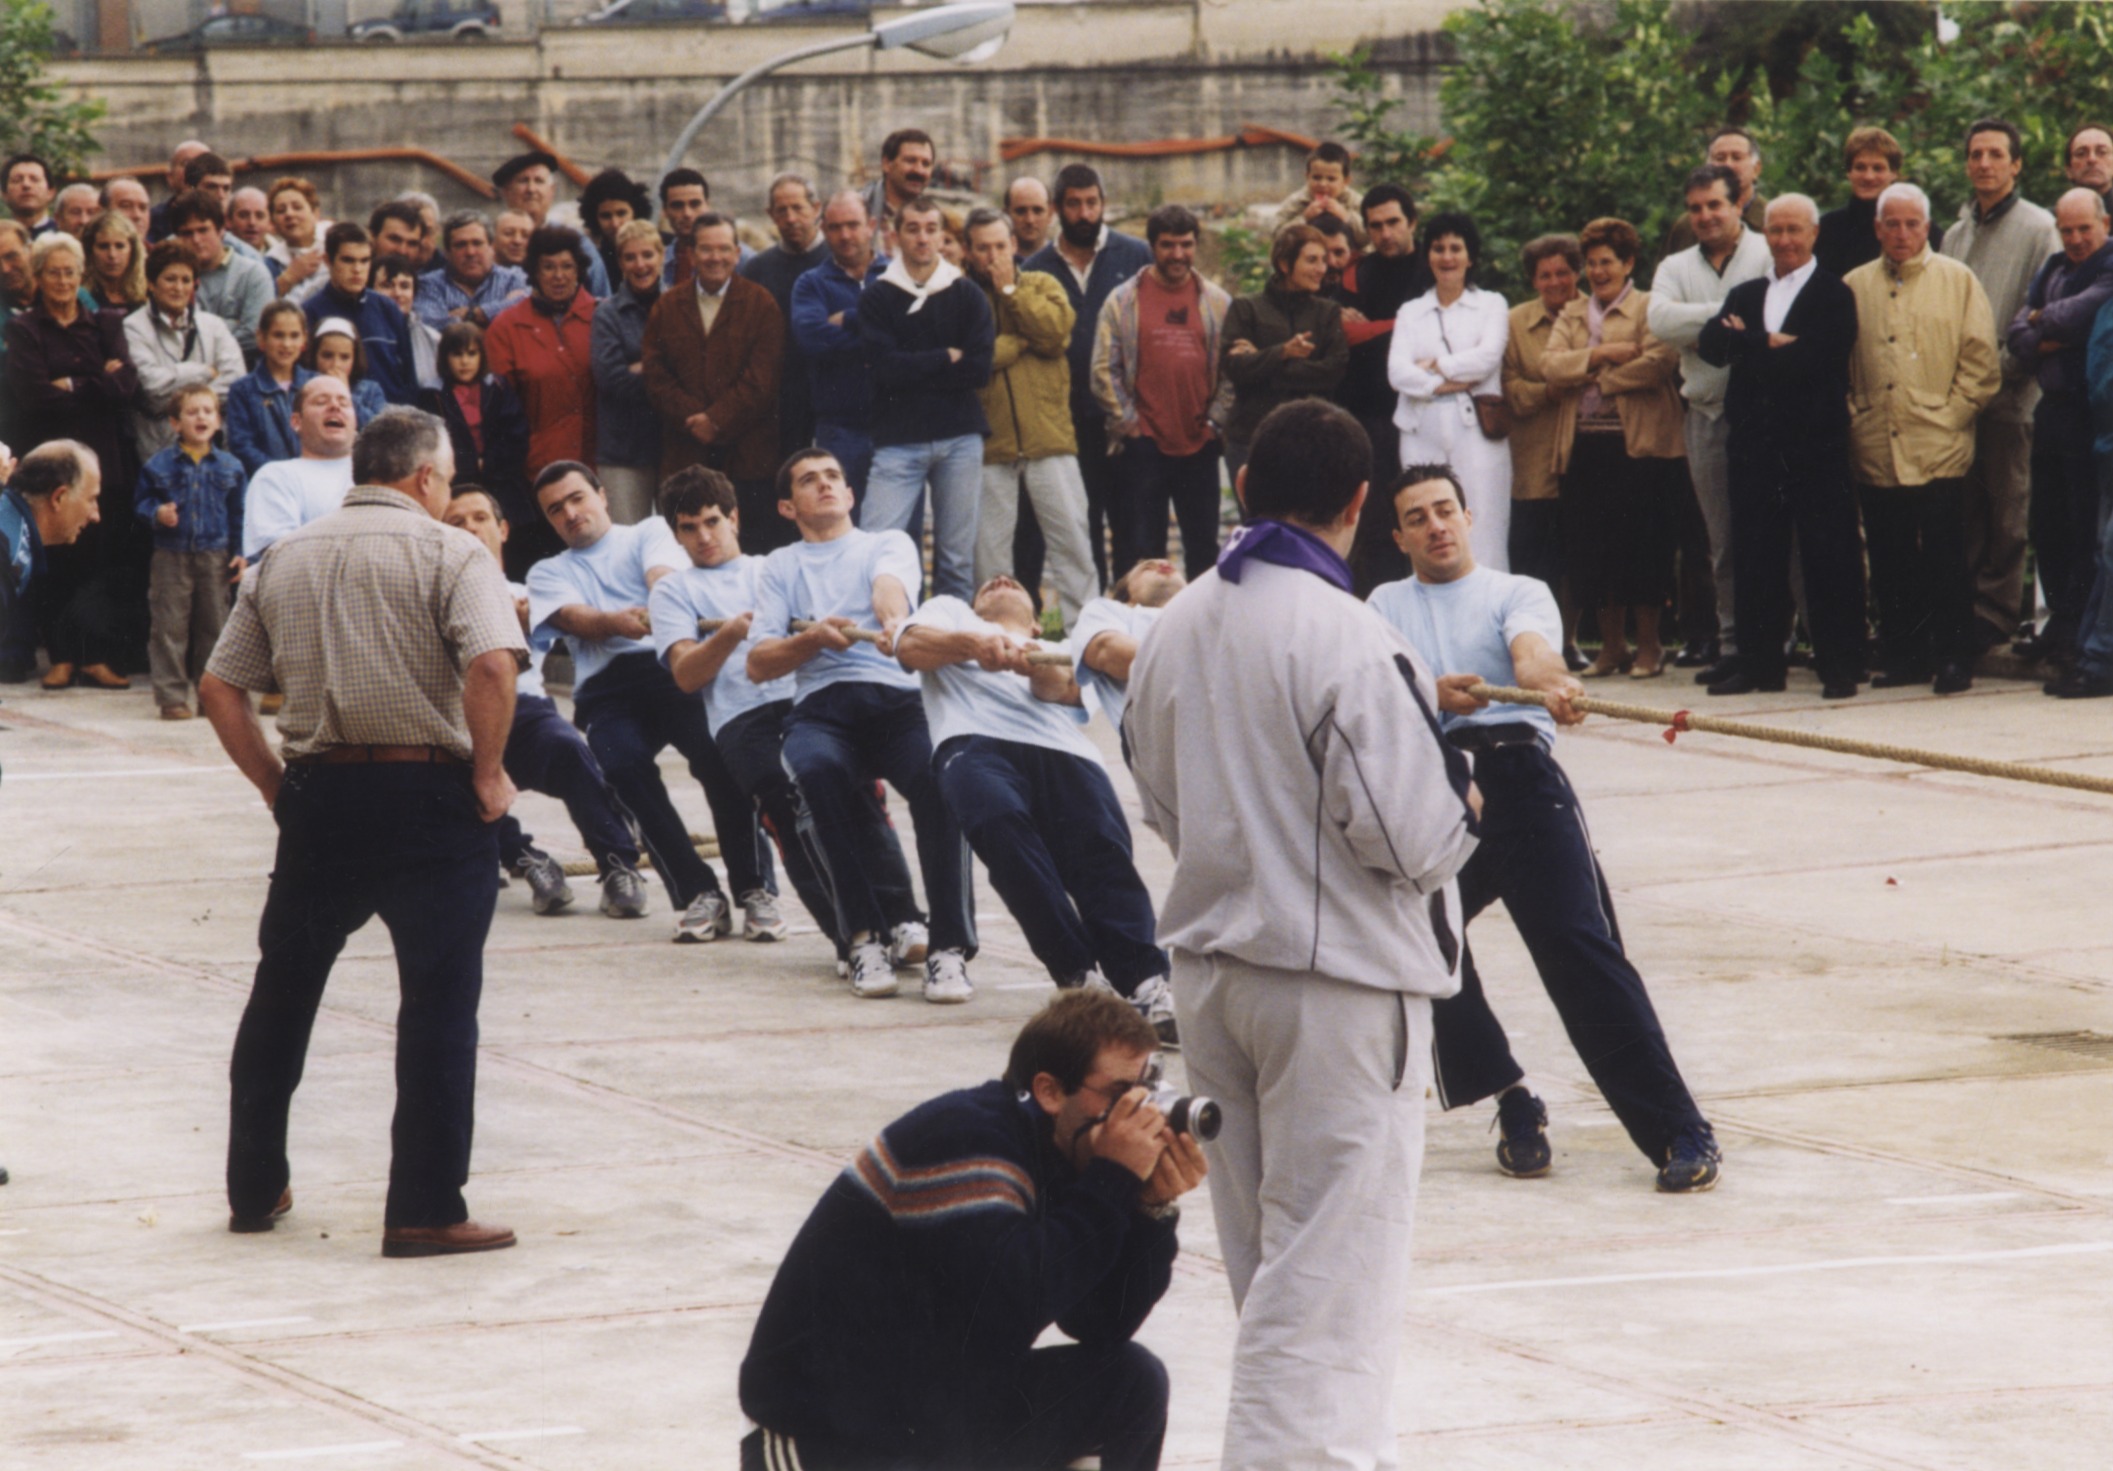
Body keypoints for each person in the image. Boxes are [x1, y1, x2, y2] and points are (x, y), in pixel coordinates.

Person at [1123, 398, 1479, 1471]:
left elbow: (1159, 797)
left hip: (1213, 974)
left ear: (1241, 487)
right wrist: (1467, 796)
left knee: (1277, 1273)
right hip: (1333, 986)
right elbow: (1412, 838)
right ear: (1361, 503)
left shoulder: (1174, 622)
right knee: (1325, 1285)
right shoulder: (1350, 634)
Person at [200, 407, 524, 1259]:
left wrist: (275, 784)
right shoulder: (453, 551)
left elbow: (219, 686)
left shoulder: (285, 556)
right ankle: (423, 1206)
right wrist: (489, 773)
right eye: (445, 479)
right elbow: (493, 664)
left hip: (320, 794)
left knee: (283, 991)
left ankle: (252, 1186)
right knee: (438, 1004)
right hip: (429, 795)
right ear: (424, 477)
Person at [1370, 463, 1723, 1191]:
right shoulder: (1382, 605)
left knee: (1581, 953)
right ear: (1398, 537)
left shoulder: (1515, 591)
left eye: (1445, 510)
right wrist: (1430, 693)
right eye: (1416, 517)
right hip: (1439, 789)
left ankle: (1678, 1132)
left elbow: (1531, 653)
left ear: (1468, 517)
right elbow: (1374, 691)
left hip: (1522, 782)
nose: (1435, 526)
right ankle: (1512, 1098)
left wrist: (1553, 684)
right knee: (1419, 946)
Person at [738, 988, 1203, 1471]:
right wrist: (1111, 1180)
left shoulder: (1058, 1153)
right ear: (1049, 1091)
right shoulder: (966, 1136)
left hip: (929, 1416)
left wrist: (1148, 1213)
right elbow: (1014, 1299)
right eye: (1120, 1094)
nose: (1140, 1114)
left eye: (1146, 1094)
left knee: (1128, 1382)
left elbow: (1099, 1323)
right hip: (825, 1434)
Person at [899, 572, 1177, 1027]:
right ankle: (1079, 975)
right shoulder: (950, 614)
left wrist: (1035, 666)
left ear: (1035, 624)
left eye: (1015, 583)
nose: (1002, 579)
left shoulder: (1061, 645)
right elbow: (910, 647)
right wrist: (973, 645)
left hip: (1067, 754)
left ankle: (1147, 982)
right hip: (974, 742)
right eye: (988, 584)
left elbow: (1063, 689)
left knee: (1104, 861)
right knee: (1003, 834)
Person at [748, 447, 973, 1002]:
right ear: (787, 506)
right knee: (815, 773)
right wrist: (811, 639)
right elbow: (758, 663)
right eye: (808, 480)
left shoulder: (885, 543)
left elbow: (888, 590)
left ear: (850, 494)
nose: (824, 485)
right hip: (822, 710)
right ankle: (863, 939)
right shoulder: (779, 566)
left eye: (833, 477)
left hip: (897, 702)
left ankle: (948, 949)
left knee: (941, 781)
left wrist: (894, 623)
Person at [525, 461, 776, 941]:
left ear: (602, 495)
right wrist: (615, 622)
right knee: (622, 768)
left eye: (577, 498)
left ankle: (755, 890)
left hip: (671, 668)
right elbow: (575, 619)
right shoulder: (546, 572)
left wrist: (663, 609)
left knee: (722, 760)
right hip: (606, 692)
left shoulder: (648, 532)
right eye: (555, 510)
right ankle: (698, 892)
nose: (570, 514)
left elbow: (663, 577)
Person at [648, 466, 872, 950]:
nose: (704, 536)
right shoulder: (672, 591)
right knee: (792, 820)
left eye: (712, 521)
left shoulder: (773, 568)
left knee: (858, 802)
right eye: (689, 527)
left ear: (734, 518)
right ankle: (851, 939)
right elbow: (686, 675)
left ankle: (893, 922)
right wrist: (731, 632)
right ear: (675, 535)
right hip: (741, 719)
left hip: (803, 701)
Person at [441, 485, 648, 918]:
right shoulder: (434, 597)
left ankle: (618, 864)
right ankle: (527, 859)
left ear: (502, 529)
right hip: (458, 720)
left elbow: (558, 626)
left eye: (479, 518)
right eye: (455, 523)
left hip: (526, 713)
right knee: (444, 778)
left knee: (568, 749)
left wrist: (526, 617)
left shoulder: (530, 592)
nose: (470, 529)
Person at [1697, 195, 1866, 699]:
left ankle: (1840, 664)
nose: (1785, 240)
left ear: (1814, 234)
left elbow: (1816, 359)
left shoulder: (1834, 293)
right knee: (1755, 554)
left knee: (1828, 553)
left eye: (1795, 230)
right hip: (1755, 446)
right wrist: (1767, 342)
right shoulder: (1747, 292)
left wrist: (1748, 345)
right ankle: (1760, 665)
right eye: (1776, 230)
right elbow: (1710, 345)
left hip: (1816, 445)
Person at [1844, 182, 2002, 697]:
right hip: (1875, 441)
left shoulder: (1957, 280)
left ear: (1927, 228)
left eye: (1912, 224)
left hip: (1939, 444)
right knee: (1889, 556)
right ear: (1877, 228)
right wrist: (1854, 415)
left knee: (1944, 556)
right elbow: (1837, 363)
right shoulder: (1853, 286)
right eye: (1891, 223)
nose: (1902, 233)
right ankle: (1904, 655)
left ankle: (1953, 657)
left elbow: (1980, 362)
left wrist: (1952, 417)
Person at [1542, 216, 1686, 680]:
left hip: (1641, 449)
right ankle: (1611, 648)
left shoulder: (1649, 306)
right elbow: (1551, 366)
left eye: (1607, 262)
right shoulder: (1572, 312)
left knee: (1643, 548)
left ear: (1628, 264)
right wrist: (1603, 354)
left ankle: (1649, 647)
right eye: (1591, 263)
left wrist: (1596, 380)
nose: (1597, 271)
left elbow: (1659, 361)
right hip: (1584, 447)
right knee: (1592, 550)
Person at [1648, 163, 1775, 683]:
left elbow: (1775, 314)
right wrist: (1733, 314)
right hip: (1705, 413)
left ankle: (1789, 639)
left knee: (1778, 534)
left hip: (1766, 413)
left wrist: (1702, 322)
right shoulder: (1675, 265)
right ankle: (1733, 643)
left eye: (1715, 205)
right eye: (1695, 208)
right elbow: (1659, 321)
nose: (1705, 216)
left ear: (1738, 203)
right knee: (1722, 541)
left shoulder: (1767, 251)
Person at [1941, 118, 2063, 654]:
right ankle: (1963, 610)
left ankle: (1995, 614)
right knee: (1964, 507)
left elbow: (2044, 311)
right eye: (1976, 154)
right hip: (1959, 397)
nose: (1984, 163)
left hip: (2012, 393)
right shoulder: (1956, 233)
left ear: (2016, 164)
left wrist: (2003, 368)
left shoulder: (2039, 229)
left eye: (1995, 154)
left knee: (2007, 509)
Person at [3, 232, 139, 690]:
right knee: (57, 559)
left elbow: (126, 387)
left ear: (82, 276)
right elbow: (33, 395)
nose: (62, 281)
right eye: (53, 272)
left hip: (103, 457)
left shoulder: (106, 324)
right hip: (52, 458)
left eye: (70, 272)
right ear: (38, 277)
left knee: (99, 560)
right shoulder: (25, 329)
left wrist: (71, 384)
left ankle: (94, 655)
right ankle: (61, 657)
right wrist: (97, 380)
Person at [962, 206, 1097, 627]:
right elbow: (972, 360)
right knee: (990, 557)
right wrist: (1020, 342)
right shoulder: (961, 298)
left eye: (1000, 246)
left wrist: (1009, 292)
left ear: (1013, 245)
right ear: (968, 251)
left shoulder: (1041, 283)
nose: (993, 257)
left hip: (1048, 438)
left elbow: (1055, 332)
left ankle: (1085, 635)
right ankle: (1001, 636)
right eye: (982, 248)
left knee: (1072, 544)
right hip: (991, 443)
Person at [857, 195, 995, 601]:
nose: (922, 238)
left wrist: (912, 366)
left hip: (960, 438)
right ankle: (881, 630)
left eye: (931, 229)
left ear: (942, 236)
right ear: (895, 235)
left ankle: (950, 636)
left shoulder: (966, 294)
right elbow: (883, 369)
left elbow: (978, 369)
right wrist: (943, 357)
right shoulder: (878, 297)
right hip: (898, 440)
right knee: (874, 547)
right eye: (913, 229)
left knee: (956, 558)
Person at [1025, 164, 1153, 589]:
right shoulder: (1036, 268)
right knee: (1083, 525)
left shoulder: (1135, 256)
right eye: (1074, 204)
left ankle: (1132, 612)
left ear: (1104, 204)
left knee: (1133, 525)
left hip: (1126, 419)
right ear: (1057, 209)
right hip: (1067, 421)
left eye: (1092, 203)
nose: (1084, 213)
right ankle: (1095, 616)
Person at [1090, 204, 1233, 583]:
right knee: (1143, 552)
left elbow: (1232, 371)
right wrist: (1129, 423)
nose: (1178, 254)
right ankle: (1142, 619)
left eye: (1186, 244)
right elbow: (1103, 368)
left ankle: (1200, 619)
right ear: (1152, 246)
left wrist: (1215, 422)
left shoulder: (1218, 302)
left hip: (1199, 443)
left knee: (1203, 550)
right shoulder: (1123, 301)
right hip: (1144, 445)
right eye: (1168, 245)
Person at [2010, 188, 2113, 668]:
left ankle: (2079, 631)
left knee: (2082, 522)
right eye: (2066, 230)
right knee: (2048, 523)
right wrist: (2043, 333)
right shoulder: (2053, 266)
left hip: (2086, 411)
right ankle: (2057, 624)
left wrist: (2041, 322)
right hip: (2049, 408)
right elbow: (2017, 336)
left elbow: (2078, 316)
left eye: (2084, 228)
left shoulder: (2109, 267)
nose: (2074, 239)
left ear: (2105, 224)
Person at [642, 212, 784, 546]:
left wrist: (716, 419)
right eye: (706, 249)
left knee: (749, 548)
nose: (715, 257)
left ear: (737, 253)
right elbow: (655, 375)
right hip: (685, 452)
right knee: (689, 547)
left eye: (723, 249)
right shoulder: (667, 306)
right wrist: (695, 419)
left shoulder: (761, 304)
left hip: (748, 455)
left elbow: (762, 377)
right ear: (692, 254)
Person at [1390, 210, 1512, 570]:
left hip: (1475, 429)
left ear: (1470, 256)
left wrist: (1434, 364)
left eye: (1456, 248)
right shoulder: (1411, 311)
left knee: (1482, 524)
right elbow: (1397, 373)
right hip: (1420, 429)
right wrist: (1440, 384)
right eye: (1438, 248)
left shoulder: (1491, 304)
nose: (1447, 257)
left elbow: (1486, 359)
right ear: (1428, 255)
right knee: (1424, 521)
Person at [1342, 182, 1432, 594]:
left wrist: (1376, 330)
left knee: (1426, 515)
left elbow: (1433, 337)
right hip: (1371, 414)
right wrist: (1403, 328)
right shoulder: (1359, 272)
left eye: (1393, 222)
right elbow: (1347, 335)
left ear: (1412, 222)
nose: (1385, 233)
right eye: (1375, 226)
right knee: (1377, 525)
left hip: (1426, 414)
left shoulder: (1433, 266)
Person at [134, 383, 245, 719]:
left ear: (218, 420)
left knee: (215, 626)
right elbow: (141, 503)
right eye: (192, 412)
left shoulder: (231, 466)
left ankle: (211, 697)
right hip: (171, 555)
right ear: (175, 423)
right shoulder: (158, 465)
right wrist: (157, 513)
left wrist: (241, 552)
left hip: (215, 556)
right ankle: (171, 697)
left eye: (208, 411)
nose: (201, 417)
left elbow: (240, 514)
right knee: (169, 627)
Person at [1502, 233, 1584, 663]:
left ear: (1577, 273)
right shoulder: (1514, 322)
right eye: (1545, 275)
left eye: (1563, 273)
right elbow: (1509, 387)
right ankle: (1539, 647)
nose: (1555, 282)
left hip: (1586, 453)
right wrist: (1547, 392)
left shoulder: (1594, 313)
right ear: (1533, 280)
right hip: (1533, 457)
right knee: (1535, 560)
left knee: (1578, 557)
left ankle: (1570, 642)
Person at [1220, 222, 1348, 480]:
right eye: (1312, 260)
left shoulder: (1327, 313)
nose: (1322, 268)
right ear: (1284, 264)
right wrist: (1281, 352)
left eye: (1323, 260)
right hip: (1250, 440)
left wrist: (1264, 359)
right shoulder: (1246, 308)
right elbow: (1234, 368)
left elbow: (1333, 371)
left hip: (1312, 441)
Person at [789, 190, 888, 501]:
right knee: (842, 518)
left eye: (853, 225)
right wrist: (884, 335)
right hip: (839, 428)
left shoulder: (896, 275)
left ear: (871, 225)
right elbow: (812, 338)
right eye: (835, 227)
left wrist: (848, 318)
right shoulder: (811, 283)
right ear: (823, 229)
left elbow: (916, 332)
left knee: (898, 525)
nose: (845, 235)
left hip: (895, 427)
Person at [485, 226, 600, 478]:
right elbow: (500, 409)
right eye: (548, 267)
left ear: (579, 270)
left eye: (567, 266)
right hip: (538, 466)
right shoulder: (506, 327)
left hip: (600, 461)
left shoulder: (602, 316)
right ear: (535, 272)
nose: (559, 276)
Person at [424, 322, 534, 572]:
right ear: (445, 358)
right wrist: (470, 463)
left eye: (472, 354)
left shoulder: (497, 387)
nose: (465, 362)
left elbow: (516, 433)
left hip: (502, 479)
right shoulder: (433, 394)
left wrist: (491, 462)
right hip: (459, 480)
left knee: (513, 545)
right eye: (457, 354)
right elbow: (435, 441)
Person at [124, 239, 245, 464]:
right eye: (170, 279)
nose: (178, 288)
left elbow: (235, 381)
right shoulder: (132, 327)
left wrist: (186, 404)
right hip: (158, 453)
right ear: (151, 283)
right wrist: (203, 372)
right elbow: (151, 390)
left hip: (213, 451)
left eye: (186, 280)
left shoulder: (213, 325)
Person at [739, 172, 828, 460]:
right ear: (770, 215)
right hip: (779, 406)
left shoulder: (838, 261)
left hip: (832, 402)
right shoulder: (756, 270)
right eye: (782, 210)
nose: (790, 218)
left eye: (798, 208)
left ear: (816, 209)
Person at [2, 442, 103, 686]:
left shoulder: (14, 534)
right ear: (58, 498)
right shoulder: (6, 547)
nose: (95, 515)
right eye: (91, 499)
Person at [585, 219, 665, 526]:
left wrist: (641, 367)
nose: (640, 264)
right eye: (630, 257)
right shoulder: (607, 314)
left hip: (672, 446)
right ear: (620, 262)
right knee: (626, 538)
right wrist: (663, 368)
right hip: (623, 451)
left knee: (679, 540)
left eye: (647, 254)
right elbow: (611, 379)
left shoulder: (679, 305)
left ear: (661, 256)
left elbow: (693, 368)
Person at [241, 375, 357, 563]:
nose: (335, 406)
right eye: (321, 402)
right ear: (296, 422)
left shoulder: (380, 476)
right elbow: (280, 555)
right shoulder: (275, 477)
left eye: (344, 403)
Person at [301, 222, 417, 406]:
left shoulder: (388, 308)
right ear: (328, 261)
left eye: (364, 261)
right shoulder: (310, 312)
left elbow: (409, 376)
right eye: (348, 260)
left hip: (393, 413)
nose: (357, 269)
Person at [1070, 555, 1185, 739]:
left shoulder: (1207, 611)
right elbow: (1107, 651)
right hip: (1161, 736)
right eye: (1147, 568)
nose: (1162, 563)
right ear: (1128, 593)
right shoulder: (1109, 611)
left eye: (1171, 566)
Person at [167, 190, 274, 362]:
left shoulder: (253, 274)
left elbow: (254, 336)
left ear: (221, 230)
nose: (196, 240)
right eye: (187, 233)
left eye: (203, 230)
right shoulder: (170, 279)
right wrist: (231, 323)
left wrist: (201, 345)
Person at [492, 150, 612, 297]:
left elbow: (601, 296)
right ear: (506, 192)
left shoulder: (574, 241)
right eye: (523, 181)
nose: (531, 189)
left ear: (552, 191)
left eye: (539, 181)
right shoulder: (488, 240)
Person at [226, 303, 316, 479]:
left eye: (294, 336)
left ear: (304, 339)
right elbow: (241, 445)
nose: (286, 344)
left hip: (311, 480)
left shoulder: (315, 384)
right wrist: (280, 474)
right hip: (266, 482)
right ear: (261, 338)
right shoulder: (243, 390)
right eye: (278, 335)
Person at [1816, 126, 1912, 278]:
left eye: (1878, 168)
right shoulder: (1826, 230)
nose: (1868, 176)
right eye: (1860, 167)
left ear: (1894, 172)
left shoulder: (1915, 227)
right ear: (1849, 172)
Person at [414, 210, 528, 332]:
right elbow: (427, 327)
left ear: (492, 247)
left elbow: (524, 306)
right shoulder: (428, 284)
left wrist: (472, 314)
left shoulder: (513, 279)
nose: (470, 252)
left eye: (477, 243)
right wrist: (497, 314)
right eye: (460, 245)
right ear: (447, 252)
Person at [1664, 125, 1770, 255]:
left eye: (1737, 157)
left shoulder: (1773, 221)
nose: (1728, 165)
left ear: (1756, 169)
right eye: (1720, 158)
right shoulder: (1687, 226)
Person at [1267, 139, 1366, 247]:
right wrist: (1303, 218)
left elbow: (1369, 237)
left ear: (1345, 181)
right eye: (1316, 177)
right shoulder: (1297, 201)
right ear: (1307, 177)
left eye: (1331, 179)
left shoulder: (1355, 202)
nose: (1322, 184)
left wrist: (1346, 217)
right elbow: (1276, 236)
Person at [372, 253, 441, 392]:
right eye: (387, 285)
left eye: (404, 286)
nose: (397, 293)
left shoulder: (434, 339)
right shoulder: (361, 336)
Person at [577, 167, 653, 288]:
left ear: (635, 211)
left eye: (621, 213)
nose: (615, 223)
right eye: (606, 216)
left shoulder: (663, 245)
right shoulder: (593, 262)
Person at [307, 317, 388, 427]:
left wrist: (346, 395)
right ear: (314, 355)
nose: (336, 364)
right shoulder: (302, 387)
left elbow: (378, 430)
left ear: (355, 359)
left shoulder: (371, 391)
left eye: (344, 357)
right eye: (327, 356)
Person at [859, 127, 937, 241]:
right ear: (886, 164)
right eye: (910, 161)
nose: (919, 170)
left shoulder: (935, 218)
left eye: (925, 164)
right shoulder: (858, 210)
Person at [263, 177, 330, 303]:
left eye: (297, 207)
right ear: (273, 222)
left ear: (315, 213)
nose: (289, 214)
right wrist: (289, 278)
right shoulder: (271, 262)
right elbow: (260, 303)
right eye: (281, 211)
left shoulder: (334, 247)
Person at [84, 210, 148, 313]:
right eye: (103, 246)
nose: (112, 255)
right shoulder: (80, 297)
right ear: (90, 251)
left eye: (120, 246)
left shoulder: (148, 295)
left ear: (133, 250)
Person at [146, 141, 210, 243]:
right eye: (186, 163)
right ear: (170, 177)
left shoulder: (228, 218)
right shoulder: (152, 219)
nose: (193, 171)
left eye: (202, 164)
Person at [4, 153, 54, 237]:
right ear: (4, 194)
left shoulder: (65, 236)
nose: (26, 185)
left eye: (34, 179)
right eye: (17, 180)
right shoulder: (2, 235)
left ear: (50, 192)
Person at [2067, 123, 2113, 213]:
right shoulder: (2051, 219)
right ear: (2068, 170)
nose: (2092, 159)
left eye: (2102, 152)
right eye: (2081, 154)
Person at [1005, 175, 1052, 257]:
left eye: (1037, 211)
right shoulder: (991, 260)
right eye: (1021, 211)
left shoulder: (1066, 261)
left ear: (1050, 214)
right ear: (1006, 215)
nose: (1030, 220)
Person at [226, 187, 274, 258]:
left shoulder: (281, 260)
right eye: (243, 215)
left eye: (259, 216)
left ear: (270, 222)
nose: (252, 222)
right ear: (229, 220)